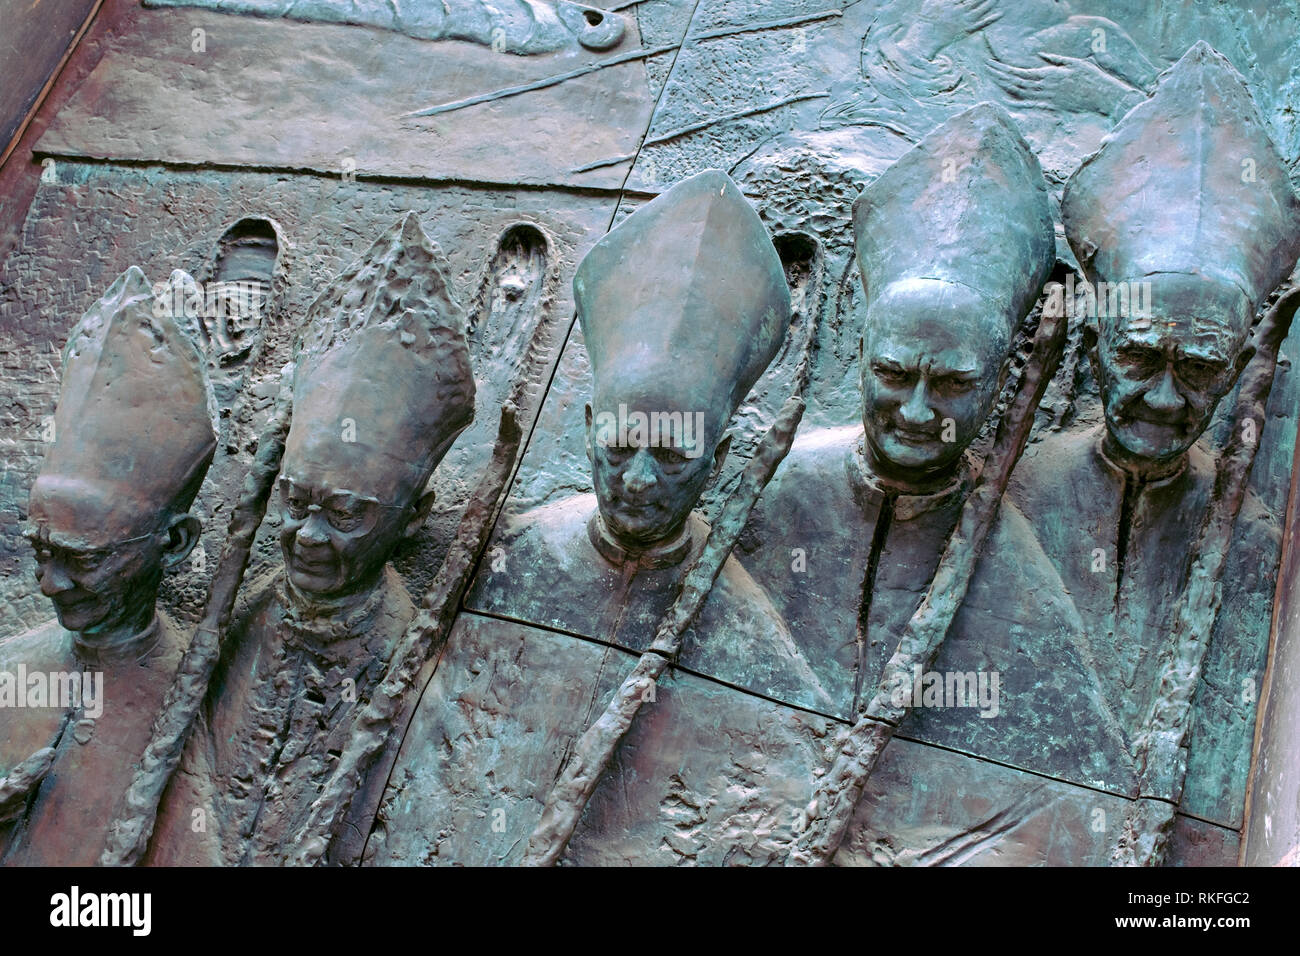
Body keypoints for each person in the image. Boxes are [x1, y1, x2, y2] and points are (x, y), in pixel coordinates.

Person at [742, 102, 1121, 786]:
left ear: (1000, 379)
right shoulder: (774, 492)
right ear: (860, 356)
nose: (916, 411)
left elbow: (1065, 790)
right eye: (892, 374)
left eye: (951, 383)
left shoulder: (1017, 564)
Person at [1007, 42, 1300, 823]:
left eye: (1201, 368)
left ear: (1240, 364)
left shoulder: (1254, 544)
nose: (1164, 398)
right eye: (1137, 356)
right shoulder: (1018, 497)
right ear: (1096, 341)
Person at [145, 212, 476, 865]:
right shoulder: (247, 615)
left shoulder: (412, 683)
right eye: (295, 502)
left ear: (413, 519)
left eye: (346, 515)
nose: (307, 538)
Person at [467, 169, 833, 713]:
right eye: (619, 446)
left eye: (671, 456)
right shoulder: (508, 565)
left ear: (719, 458)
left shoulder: (752, 639)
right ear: (591, 429)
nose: (637, 482)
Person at [0, 266, 216, 865]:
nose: (48, 584)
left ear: (172, 546)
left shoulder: (197, 706)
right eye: (42, 550)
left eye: (81, 559)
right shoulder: (11, 667)